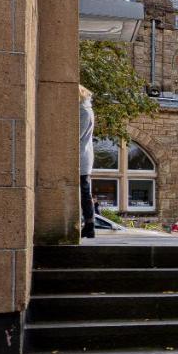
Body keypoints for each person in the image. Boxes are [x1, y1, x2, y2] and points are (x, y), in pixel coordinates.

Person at [79, 86, 96, 239]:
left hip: (81, 157)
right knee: (84, 192)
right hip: (83, 156)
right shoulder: (85, 110)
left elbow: (77, 135)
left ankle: (90, 226)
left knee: (84, 193)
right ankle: (88, 225)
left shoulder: (84, 112)